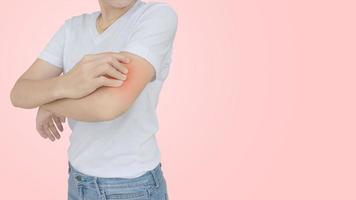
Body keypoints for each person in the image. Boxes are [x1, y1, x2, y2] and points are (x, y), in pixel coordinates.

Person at [10, 0, 178, 199]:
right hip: (78, 179)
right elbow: (19, 93)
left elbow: (108, 106)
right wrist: (67, 84)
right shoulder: (72, 28)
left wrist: (49, 103)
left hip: (132, 187)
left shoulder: (156, 16)